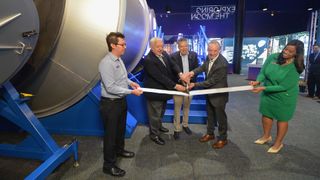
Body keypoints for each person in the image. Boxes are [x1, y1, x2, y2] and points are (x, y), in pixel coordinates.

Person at [99, 32, 143, 177]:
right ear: (113, 45)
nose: (125, 46)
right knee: (110, 135)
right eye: (122, 44)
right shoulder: (106, 63)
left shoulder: (119, 60)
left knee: (120, 130)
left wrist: (132, 83)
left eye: (125, 44)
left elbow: (122, 78)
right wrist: (131, 92)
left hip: (120, 102)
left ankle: (119, 150)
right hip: (110, 104)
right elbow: (111, 87)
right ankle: (109, 165)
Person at [249, 40, 305, 153]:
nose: (286, 52)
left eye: (290, 51)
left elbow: (284, 86)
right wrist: (258, 81)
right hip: (268, 93)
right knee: (266, 114)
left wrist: (263, 88)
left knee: (282, 119)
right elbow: (263, 72)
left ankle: (278, 143)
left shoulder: (296, 66)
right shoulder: (273, 57)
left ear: (297, 53)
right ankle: (266, 136)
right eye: (285, 49)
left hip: (284, 95)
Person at [143, 37, 186, 145]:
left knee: (161, 111)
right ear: (151, 47)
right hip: (155, 93)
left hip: (164, 91)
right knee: (155, 115)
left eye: (162, 46)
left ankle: (159, 126)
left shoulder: (164, 54)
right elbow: (160, 77)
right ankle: (154, 135)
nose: (161, 48)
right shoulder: (149, 60)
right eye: (158, 47)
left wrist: (180, 74)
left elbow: (173, 64)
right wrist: (175, 86)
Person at [186, 40, 229, 149]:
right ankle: (210, 134)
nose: (212, 53)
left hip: (219, 95)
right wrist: (192, 73)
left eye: (215, 51)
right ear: (207, 49)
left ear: (219, 50)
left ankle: (223, 138)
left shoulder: (222, 64)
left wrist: (194, 84)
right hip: (209, 93)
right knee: (210, 115)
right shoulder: (208, 57)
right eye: (210, 50)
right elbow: (203, 67)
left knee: (220, 118)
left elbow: (211, 81)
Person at [170, 38, 199, 139]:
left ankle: (185, 125)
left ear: (188, 46)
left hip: (189, 87)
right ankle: (177, 129)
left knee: (187, 107)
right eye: (181, 46)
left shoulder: (194, 55)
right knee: (177, 108)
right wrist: (180, 80)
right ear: (178, 47)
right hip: (178, 87)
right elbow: (172, 72)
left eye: (186, 46)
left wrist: (192, 81)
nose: (184, 48)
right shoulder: (173, 56)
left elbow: (197, 69)